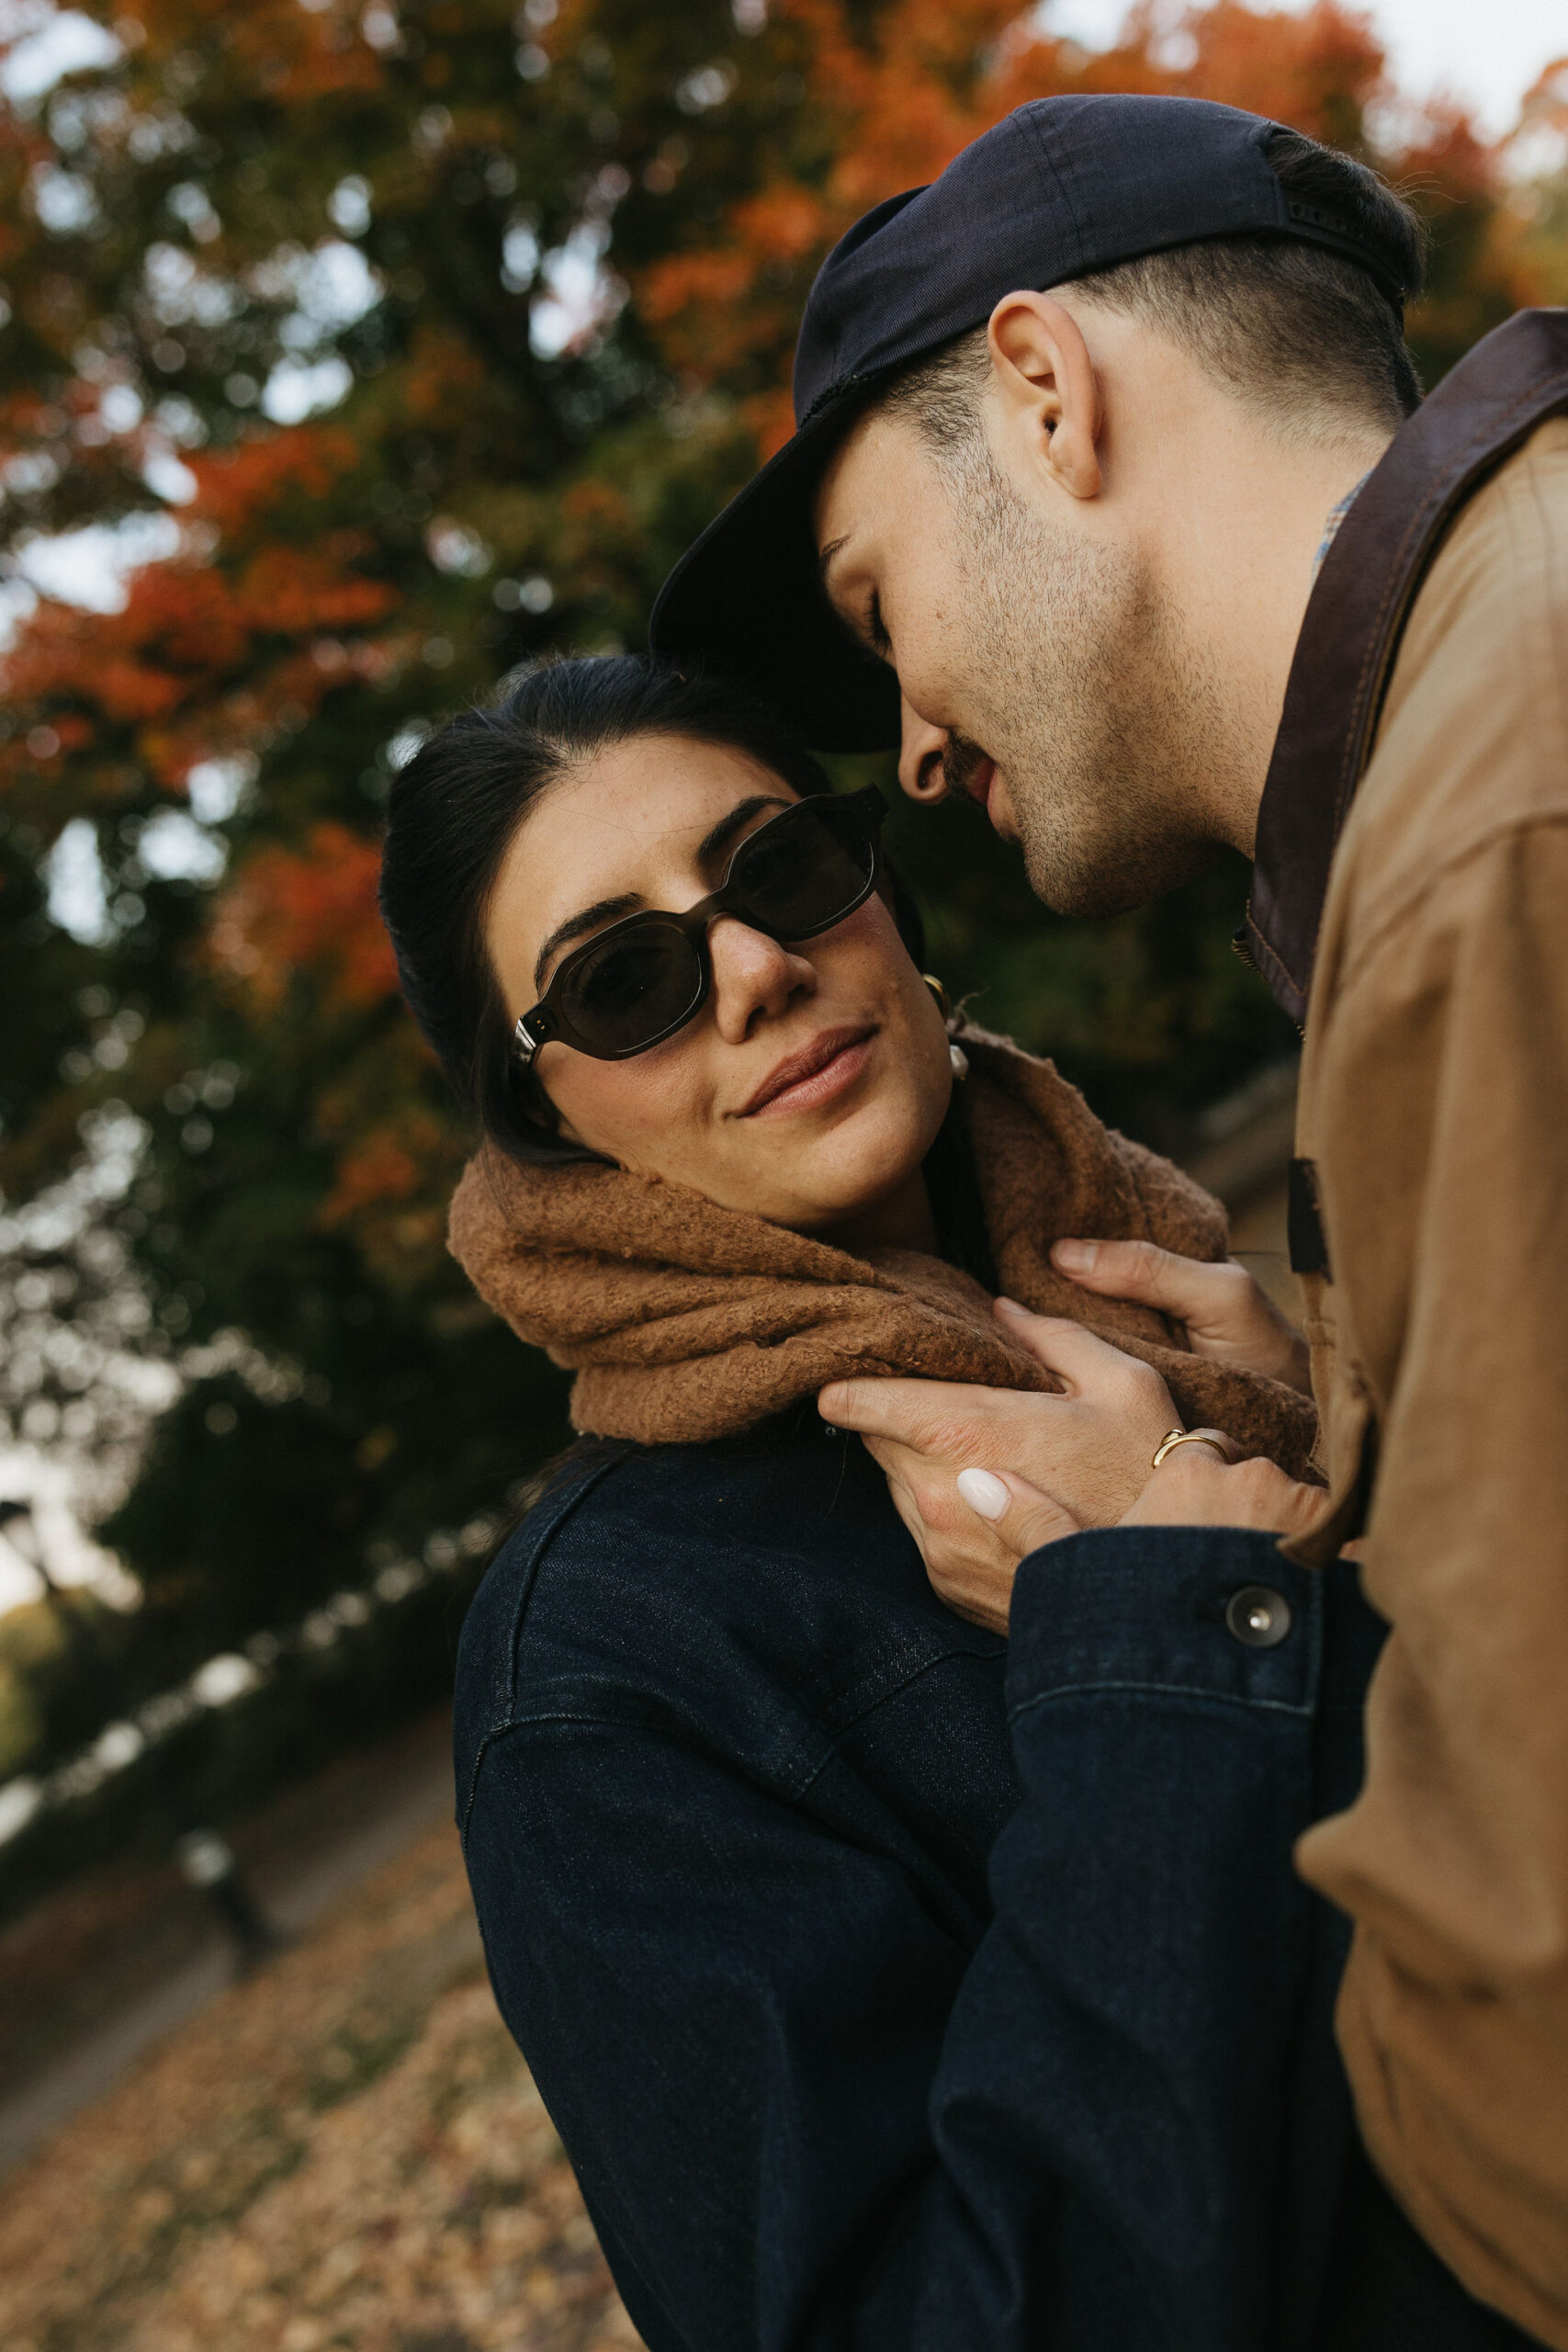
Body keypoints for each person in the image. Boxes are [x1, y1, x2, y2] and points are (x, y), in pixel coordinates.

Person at [649, 91, 1568, 2348]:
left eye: (879, 611)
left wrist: (1164, 1618)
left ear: (1045, 394)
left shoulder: (1489, 832)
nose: (916, 748)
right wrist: (1348, 1451)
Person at [376, 651, 1476, 2351]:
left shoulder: (1200, 1312)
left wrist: (1366, 1448)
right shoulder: (603, 1681)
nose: (753, 967)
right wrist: (1164, 1658)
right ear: (547, 1113)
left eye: (782, 872)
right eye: (621, 983)